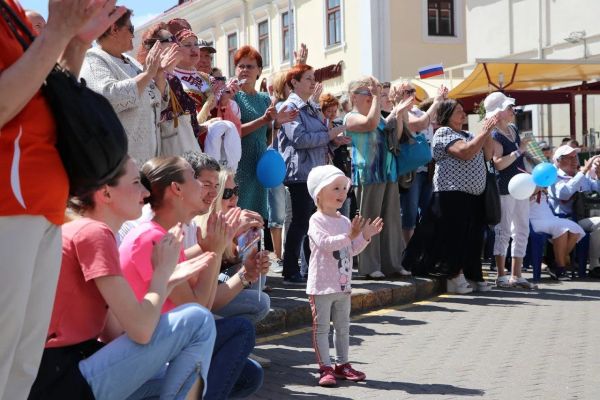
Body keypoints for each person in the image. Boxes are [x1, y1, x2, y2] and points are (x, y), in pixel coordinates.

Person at [0, 1, 125, 398]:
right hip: (8, 205)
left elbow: (46, 100)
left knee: (21, 365)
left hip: (42, 206)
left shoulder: (12, 9)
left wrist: (76, 43)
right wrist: (55, 34)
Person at [30, 156, 217, 399]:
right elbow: (141, 330)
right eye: (136, 182)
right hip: (61, 377)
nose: (145, 191)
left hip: (62, 372)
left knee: (172, 378)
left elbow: (113, 332)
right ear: (106, 194)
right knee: (199, 321)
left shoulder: (88, 231)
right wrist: (162, 275)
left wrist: (167, 281)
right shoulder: (93, 233)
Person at [119, 156, 265, 399]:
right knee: (241, 330)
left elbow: (202, 310)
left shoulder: (167, 234)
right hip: (143, 356)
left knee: (250, 375)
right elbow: (199, 310)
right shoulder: (150, 238)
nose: (209, 191)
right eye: (198, 182)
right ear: (176, 189)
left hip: (167, 342)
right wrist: (214, 249)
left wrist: (223, 255)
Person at [404, 100, 497, 293]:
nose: (463, 115)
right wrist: (483, 132)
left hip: (473, 196)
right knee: (454, 238)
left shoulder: (470, 134)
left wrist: (487, 132)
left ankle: (473, 276)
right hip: (451, 195)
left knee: (472, 239)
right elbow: (465, 152)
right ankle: (453, 277)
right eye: (458, 111)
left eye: (464, 111)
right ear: (447, 115)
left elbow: (488, 155)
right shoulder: (443, 133)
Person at [305, 165, 383, 387]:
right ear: (319, 193)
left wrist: (365, 236)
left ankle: (342, 364)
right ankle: (325, 367)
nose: (342, 193)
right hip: (321, 286)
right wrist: (350, 235)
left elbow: (350, 250)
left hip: (342, 286)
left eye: (344, 188)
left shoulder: (344, 221)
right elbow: (326, 244)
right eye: (336, 188)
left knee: (343, 327)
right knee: (322, 328)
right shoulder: (316, 220)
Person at [279, 64, 351, 285]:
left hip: (315, 173)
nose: (313, 82)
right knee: (301, 221)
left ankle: (312, 268)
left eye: (313, 78)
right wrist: (329, 135)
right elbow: (299, 139)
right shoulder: (289, 106)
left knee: (312, 222)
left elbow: (318, 136)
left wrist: (333, 140)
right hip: (301, 173)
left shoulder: (310, 107)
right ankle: (290, 269)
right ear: (294, 82)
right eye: (308, 78)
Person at [80, 9, 171, 164]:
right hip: (119, 166)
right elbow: (107, 98)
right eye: (131, 29)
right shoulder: (93, 60)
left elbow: (156, 103)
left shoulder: (131, 62)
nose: (133, 36)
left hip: (147, 162)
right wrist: (147, 74)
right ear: (114, 29)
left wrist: (159, 75)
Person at [344, 77, 411, 279]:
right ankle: (370, 265)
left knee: (391, 220)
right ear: (354, 97)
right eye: (367, 93)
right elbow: (369, 123)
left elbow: (396, 137)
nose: (372, 97)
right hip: (368, 174)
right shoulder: (351, 117)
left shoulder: (379, 116)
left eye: (373, 93)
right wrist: (376, 98)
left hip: (388, 172)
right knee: (369, 219)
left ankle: (392, 263)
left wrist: (398, 113)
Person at [234, 45, 297, 220]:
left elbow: (268, 139)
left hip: (260, 166)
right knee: (239, 217)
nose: (245, 70)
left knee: (257, 219)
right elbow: (234, 132)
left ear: (259, 70)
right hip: (239, 165)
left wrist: (277, 125)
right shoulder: (232, 97)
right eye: (241, 66)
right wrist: (263, 120)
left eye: (250, 66)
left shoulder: (264, 99)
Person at [486, 92, 537, 289]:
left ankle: (517, 274)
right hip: (505, 188)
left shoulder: (513, 129)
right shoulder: (494, 134)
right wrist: (519, 150)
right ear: (498, 112)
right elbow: (498, 164)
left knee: (522, 228)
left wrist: (532, 178)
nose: (512, 110)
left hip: (520, 186)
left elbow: (522, 159)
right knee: (504, 230)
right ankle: (501, 275)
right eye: (508, 108)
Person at [135, 23, 203, 157]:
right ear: (156, 46)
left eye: (175, 40)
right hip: (170, 146)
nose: (176, 44)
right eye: (171, 40)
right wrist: (162, 71)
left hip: (184, 140)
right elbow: (157, 109)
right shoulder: (147, 73)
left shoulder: (171, 75)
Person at [393, 82, 446, 244]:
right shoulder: (399, 112)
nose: (411, 94)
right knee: (409, 216)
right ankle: (408, 256)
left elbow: (432, 121)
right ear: (397, 94)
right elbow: (420, 124)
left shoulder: (419, 111)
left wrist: (441, 102)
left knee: (429, 214)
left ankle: (422, 253)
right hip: (411, 171)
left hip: (427, 169)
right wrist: (436, 101)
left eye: (413, 91)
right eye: (407, 91)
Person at [548, 145, 600, 278]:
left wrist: (598, 176)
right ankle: (559, 262)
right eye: (569, 158)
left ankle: (594, 265)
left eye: (575, 157)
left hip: (579, 219)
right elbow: (564, 194)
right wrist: (584, 171)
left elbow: (596, 190)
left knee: (599, 224)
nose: (574, 160)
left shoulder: (579, 176)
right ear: (558, 161)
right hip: (559, 219)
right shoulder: (553, 177)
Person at [530, 189, 585, 280]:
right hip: (534, 219)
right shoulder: (525, 185)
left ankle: (554, 263)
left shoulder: (541, 186)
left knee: (575, 229)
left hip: (550, 218)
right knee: (561, 230)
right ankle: (560, 269)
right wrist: (535, 190)